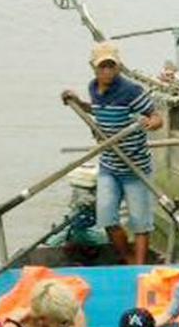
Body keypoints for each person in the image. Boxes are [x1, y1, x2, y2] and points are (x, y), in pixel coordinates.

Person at [61, 41, 162, 266]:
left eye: (111, 66)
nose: (106, 71)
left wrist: (150, 123)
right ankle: (127, 258)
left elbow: (157, 116)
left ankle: (139, 267)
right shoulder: (93, 88)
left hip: (135, 167)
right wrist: (77, 101)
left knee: (140, 222)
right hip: (109, 165)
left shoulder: (131, 91)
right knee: (106, 216)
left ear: (118, 67)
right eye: (101, 67)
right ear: (93, 67)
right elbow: (96, 110)